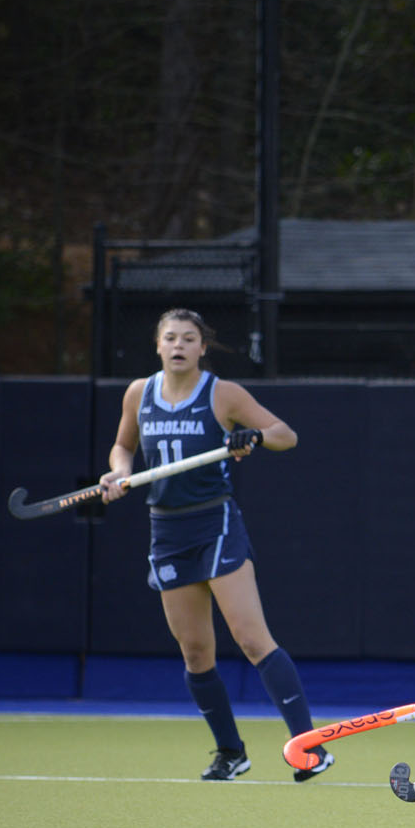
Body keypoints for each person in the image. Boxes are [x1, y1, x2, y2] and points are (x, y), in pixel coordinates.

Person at [99, 308, 332, 783]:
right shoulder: (138, 394)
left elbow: (286, 435)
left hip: (215, 524)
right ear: (158, 345)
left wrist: (255, 436)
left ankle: (310, 748)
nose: (179, 345)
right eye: (170, 337)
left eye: (189, 338)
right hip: (166, 530)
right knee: (195, 654)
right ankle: (230, 753)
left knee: (251, 639)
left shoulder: (222, 393)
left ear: (202, 347)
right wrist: (120, 473)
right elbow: (123, 447)